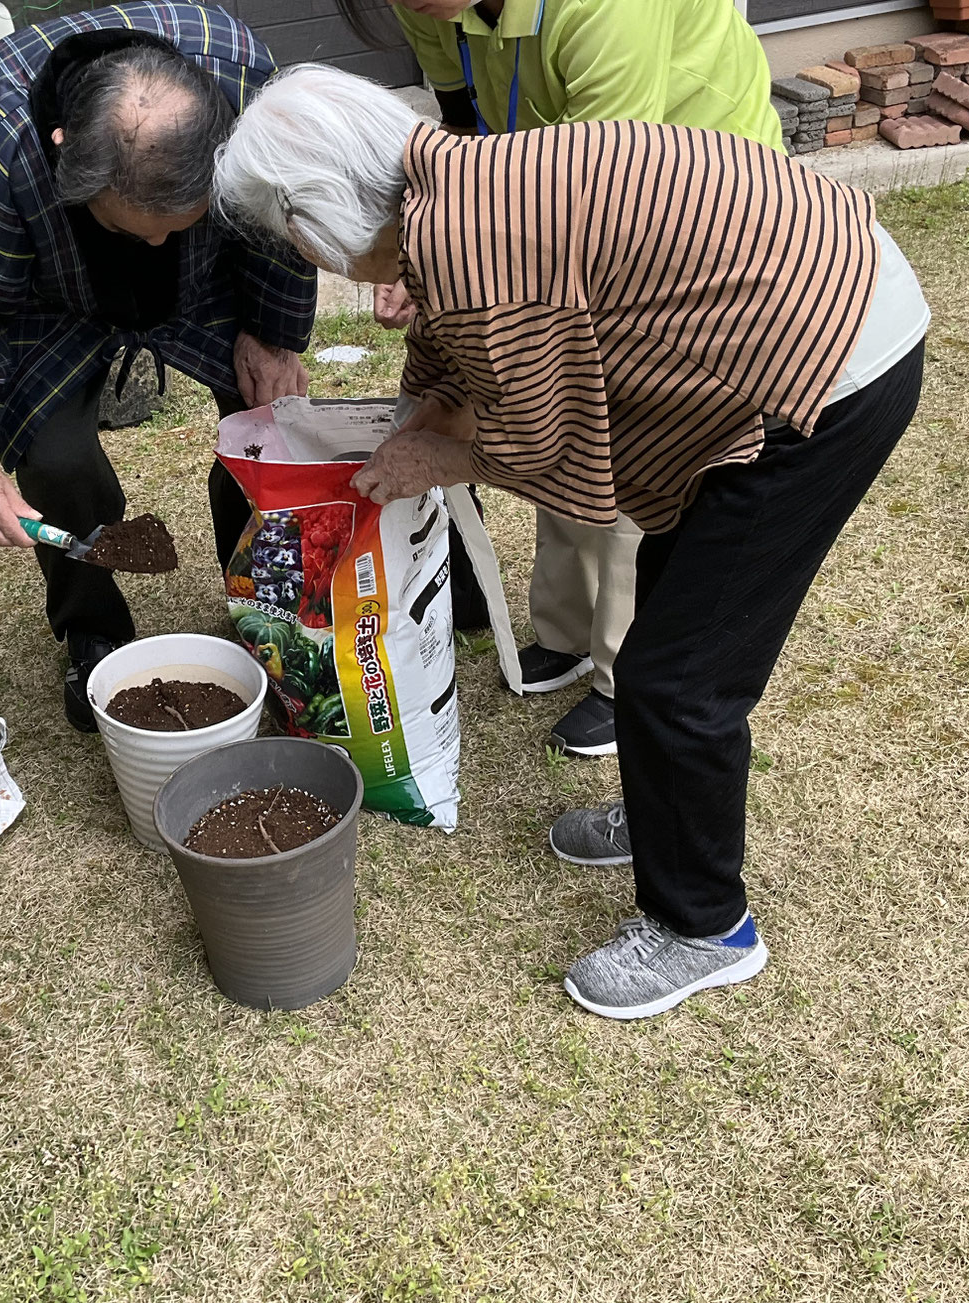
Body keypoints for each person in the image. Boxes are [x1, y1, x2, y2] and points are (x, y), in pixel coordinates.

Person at [215, 66, 930, 1020]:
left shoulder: (467, 242)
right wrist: (428, 415)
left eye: (290, 235)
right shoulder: (451, 182)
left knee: (685, 676)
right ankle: (667, 818)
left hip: (829, 369)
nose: (306, 256)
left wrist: (440, 454)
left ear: (317, 218)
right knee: (672, 605)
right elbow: (462, 353)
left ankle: (705, 928)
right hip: (821, 300)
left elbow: (547, 436)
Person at [332, 0, 783, 759]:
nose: (412, 7)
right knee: (547, 397)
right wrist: (428, 244)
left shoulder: (606, 7)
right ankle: (568, 634)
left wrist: (460, 258)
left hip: (685, 203)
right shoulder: (426, 6)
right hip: (546, 200)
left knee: (630, 429)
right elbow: (462, 137)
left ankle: (621, 672)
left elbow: (606, 188)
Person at [0, 2, 316, 733]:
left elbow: (281, 219)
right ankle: (93, 631)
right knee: (54, 454)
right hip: (51, 293)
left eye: (170, 223)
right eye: (130, 227)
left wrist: (273, 331)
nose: (149, 245)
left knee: (264, 423)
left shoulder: (242, 80)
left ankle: (264, 602)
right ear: (63, 151)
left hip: (206, 274)